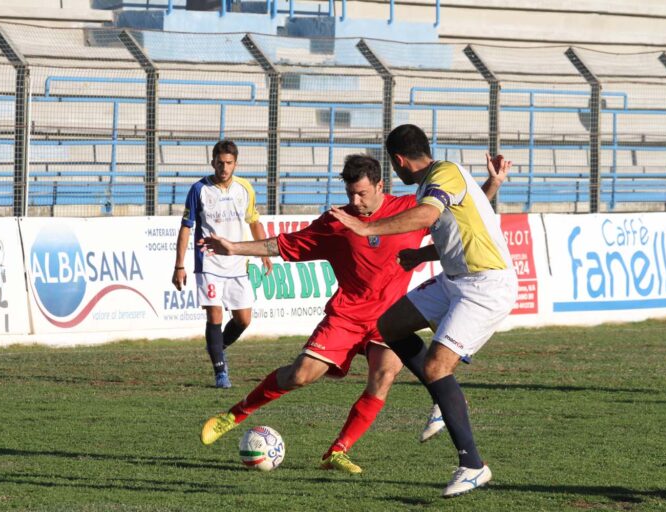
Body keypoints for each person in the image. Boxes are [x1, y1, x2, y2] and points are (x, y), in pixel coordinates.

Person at [198, 152, 510, 474]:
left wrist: (493, 183)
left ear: (379, 185)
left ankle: (338, 451)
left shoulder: (408, 210)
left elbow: (459, 210)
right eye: (350, 194)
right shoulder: (337, 222)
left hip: (391, 318)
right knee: (299, 375)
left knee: (383, 376)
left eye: (361, 193)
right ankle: (233, 415)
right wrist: (235, 248)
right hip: (347, 316)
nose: (356, 201)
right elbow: (284, 244)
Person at [329, 124, 518, 498]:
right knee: (391, 325)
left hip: (485, 284)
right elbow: (460, 227)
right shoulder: (441, 177)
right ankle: (440, 397)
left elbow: (429, 216)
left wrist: (367, 229)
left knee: (436, 366)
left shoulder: (442, 174)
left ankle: (473, 465)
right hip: (455, 278)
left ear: (398, 161)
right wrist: (421, 254)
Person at [172, 139, 273, 389]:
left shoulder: (245, 188)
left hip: (238, 262)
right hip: (209, 262)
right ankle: (220, 373)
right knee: (214, 313)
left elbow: (254, 222)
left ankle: (217, 346)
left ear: (235, 163)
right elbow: (186, 228)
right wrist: (179, 266)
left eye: (228, 163)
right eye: (220, 163)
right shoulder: (199, 189)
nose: (224, 167)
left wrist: (265, 253)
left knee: (243, 320)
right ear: (212, 162)